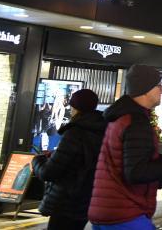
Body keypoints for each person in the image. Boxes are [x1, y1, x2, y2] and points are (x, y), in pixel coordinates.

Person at [89, 64, 162, 230]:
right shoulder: (136, 122)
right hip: (125, 214)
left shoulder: (121, 118)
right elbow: (136, 172)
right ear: (146, 89)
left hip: (107, 210)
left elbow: (129, 162)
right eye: (159, 86)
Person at [31, 89, 106, 230]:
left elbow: (49, 172)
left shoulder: (75, 132)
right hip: (87, 201)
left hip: (66, 202)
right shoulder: (103, 130)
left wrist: (37, 161)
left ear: (75, 108)